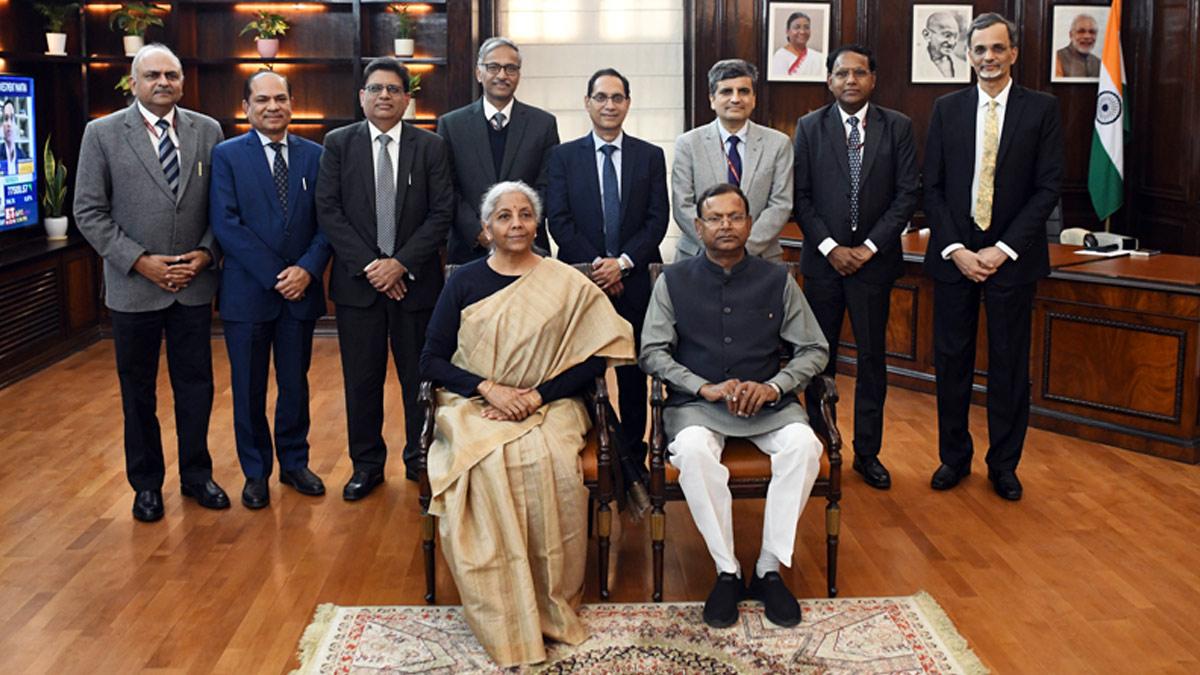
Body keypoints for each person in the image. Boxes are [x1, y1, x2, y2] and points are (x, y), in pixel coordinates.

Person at [420, 181, 635, 667]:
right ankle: (502, 607)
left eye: (524, 215)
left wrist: (537, 394)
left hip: (554, 402)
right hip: (477, 401)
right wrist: (489, 389)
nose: (515, 224)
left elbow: (594, 357)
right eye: (503, 216)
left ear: (537, 224)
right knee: (487, 461)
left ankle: (550, 601)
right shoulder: (464, 282)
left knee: (545, 458)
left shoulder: (565, 281)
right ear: (485, 229)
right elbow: (430, 360)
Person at [640, 183, 828, 629]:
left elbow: (814, 349)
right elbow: (652, 351)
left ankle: (767, 568)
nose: (726, 226)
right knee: (692, 452)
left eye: (735, 216)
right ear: (698, 226)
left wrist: (775, 387)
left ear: (749, 223)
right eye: (716, 218)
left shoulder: (778, 279)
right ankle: (727, 570)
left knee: (804, 446)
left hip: (768, 403)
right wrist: (702, 387)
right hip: (698, 404)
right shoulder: (673, 280)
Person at [73, 44, 228, 522]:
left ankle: (197, 475)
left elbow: (220, 206)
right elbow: (88, 211)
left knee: (196, 386)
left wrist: (204, 255)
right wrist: (141, 262)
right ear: (133, 82)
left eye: (172, 75)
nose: (163, 82)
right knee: (138, 390)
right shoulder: (101, 134)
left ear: (182, 82)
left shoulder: (208, 130)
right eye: (153, 75)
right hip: (135, 287)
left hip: (192, 285)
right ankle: (146, 485)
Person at [923, 13, 1063, 501]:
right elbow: (933, 187)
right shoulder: (946, 108)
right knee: (952, 362)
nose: (988, 58)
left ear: (1013, 53)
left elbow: (1047, 188)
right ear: (969, 55)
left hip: (1013, 261)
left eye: (997, 49)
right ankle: (953, 459)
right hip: (955, 260)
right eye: (979, 49)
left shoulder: (1042, 109)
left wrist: (1001, 251)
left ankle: (1004, 464)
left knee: (1007, 367)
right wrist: (958, 250)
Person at [315, 57, 453, 499]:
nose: (385, 97)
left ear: (407, 99)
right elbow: (329, 211)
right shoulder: (338, 144)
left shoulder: (430, 147)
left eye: (394, 89)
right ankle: (367, 464)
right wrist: (374, 266)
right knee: (362, 379)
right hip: (359, 288)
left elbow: (441, 213)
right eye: (375, 89)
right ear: (362, 97)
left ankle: (419, 457)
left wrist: (400, 263)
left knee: (419, 379)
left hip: (416, 285)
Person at [793, 44, 918, 490]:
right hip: (824, 265)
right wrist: (830, 247)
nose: (850, 80)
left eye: (859, 73)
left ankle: (868, 453)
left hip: (873, 266)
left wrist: (866, 247)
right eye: (841, 73)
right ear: (829, 80)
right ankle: (818, 446)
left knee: (871, 361)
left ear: (873, 78)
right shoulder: (808, 127)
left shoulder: (897, 127)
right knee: (816, 359)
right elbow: (800, 197)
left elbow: (906, 195)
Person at [209, 70, 331, 509]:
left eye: (280, 98)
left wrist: (306, 271)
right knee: (248, 388)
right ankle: (255, 472)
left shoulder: (315, 155)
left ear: (292, 104)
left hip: (301, 291)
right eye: (262, 100)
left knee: (295, 385)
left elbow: (327, 222)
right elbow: (227, 224)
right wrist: (278, 275)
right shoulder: (226, 156)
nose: (272, 107)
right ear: (246, 107)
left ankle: (295, 463)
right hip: (249, 293)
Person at [547, 67, 668, 476]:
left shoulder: (650, 156)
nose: (609, 105)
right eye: (601, 97)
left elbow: (657, 220)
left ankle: (633, 451)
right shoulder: (562, 156)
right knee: (583, 369)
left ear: (628, 104)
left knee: (634, 371)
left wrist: (623, 263)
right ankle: (591, 446)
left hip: (634, 282)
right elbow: (558, 220)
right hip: (581, 280)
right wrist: (599, 266)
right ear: (587, 103)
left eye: (617, 98)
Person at [437, 37, 559, 264]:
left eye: (510, 68)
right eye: (493, 67)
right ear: (478, 73)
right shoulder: (452, 125)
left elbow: (548, 185)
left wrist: (518, 228)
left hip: (529, 250)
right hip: (469, 250)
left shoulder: (543, 124)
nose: (502, 75)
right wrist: (480, 232)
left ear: (519, 75)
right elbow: (447, 189)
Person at [673, 59, 792, 262]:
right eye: (726, 92)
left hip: (760, 257)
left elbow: (781, 204)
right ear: (712, 99)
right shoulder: (688, 144)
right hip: (699, 257)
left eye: (743, 91)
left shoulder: (779, 143)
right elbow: (682, 205)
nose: (736, 99)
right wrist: (717, 247)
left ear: (754, 99)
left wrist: (742, 249)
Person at [770, 12, 826, 79]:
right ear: (787, 31)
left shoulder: (819, 57)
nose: (802, 32)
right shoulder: (779, 57)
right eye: (797, 27)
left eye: (806, 27)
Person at [915, 11, 962, 79]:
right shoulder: (916, 65)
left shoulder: (962, 66)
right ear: (927, 35)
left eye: (955, 37)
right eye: (947, 35)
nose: (952, 43)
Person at [1055, 13, 1101, 78]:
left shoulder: (1098, 63)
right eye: (1081, 31)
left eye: (1092, 32)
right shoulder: (1057, 58)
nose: (1087, 36)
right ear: (1071, 35)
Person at [2, 99, 29, 176]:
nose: (9, 124)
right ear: (2, 126)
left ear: (16, 125)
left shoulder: (24, 157)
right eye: (6, 118)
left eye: (12, 118)